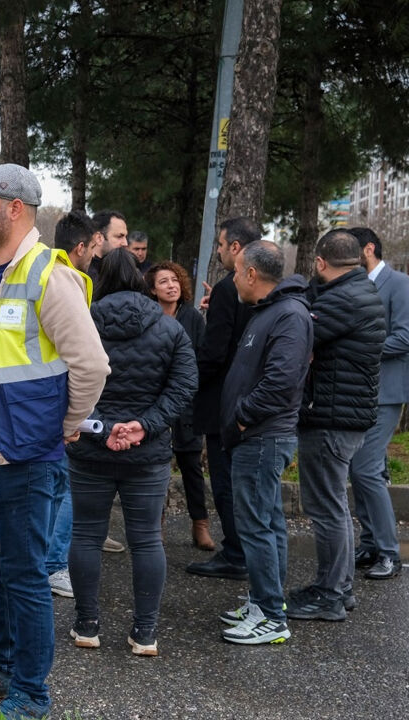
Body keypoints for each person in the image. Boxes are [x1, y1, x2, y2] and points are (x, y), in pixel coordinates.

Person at [0, 164, 108, 720]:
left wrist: (67, 423)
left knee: (25, 575)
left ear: (15, 208)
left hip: (26, 455)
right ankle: (0, 665)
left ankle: (31, 693)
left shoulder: (47, 274)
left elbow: (91, 364)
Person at [66, 249, 196, 657]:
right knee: (146, 540)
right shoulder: (170, 328)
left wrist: (104, 427)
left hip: (91, 449)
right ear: (141, 279)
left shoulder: (81, 323)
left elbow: (65, 379)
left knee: (86, 534)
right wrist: (145, 425)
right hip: (148, 452)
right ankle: (145, 632)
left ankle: (87, 625)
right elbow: (184, 385)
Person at [287, 230, 386, 623]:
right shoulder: (357, 290)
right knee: (335, 507)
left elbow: (300, 335)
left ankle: (330, 594)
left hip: (331, 417)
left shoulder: (342, 299)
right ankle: (338, 588)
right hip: (344, 415)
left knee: (326, 509)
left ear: (320, 262)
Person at [218, 240, 311, 645]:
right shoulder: (270, 311)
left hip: (261, 436)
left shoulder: (288, 314)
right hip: (258, 435)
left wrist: (242, 417)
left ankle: (271, 616)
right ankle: (264, 601)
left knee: (256, 526)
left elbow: (280, 382)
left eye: (237, 271)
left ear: (252, 274)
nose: (234, 278)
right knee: (267, 523)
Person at [186, 217, 260, 581]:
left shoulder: (229, 288)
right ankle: (244, 551)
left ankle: (235, 554)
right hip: (250, 398)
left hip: (223, 401)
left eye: (220, 244)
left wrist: (190, 382)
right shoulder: (259, 286)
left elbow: (214, 352)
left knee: (226, 483)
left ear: (235, 247)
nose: (217, 251)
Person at [45, 211, 103, 598]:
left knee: (51, 488)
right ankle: (52, 564)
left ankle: (42, 562)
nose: (97, 256)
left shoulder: (42, 276)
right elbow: (89, 363)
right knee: (61, 487)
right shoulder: (67, 283)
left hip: (38, 406)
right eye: (95, 247)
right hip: (56, 408)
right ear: (81, 247)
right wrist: (73, 419)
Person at [349, 226, 406, 581]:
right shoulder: (357, 284)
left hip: (387, 392)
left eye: (350, 249)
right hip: (359, 392)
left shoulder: (399, 283)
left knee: (366, 470)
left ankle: (389, 553)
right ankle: (370, 544)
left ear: (368, 249)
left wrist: (359, 348)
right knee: (361, 469)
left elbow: (405, 336)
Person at [144, 260, 211, 550]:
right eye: (163, 282)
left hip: (186, 402)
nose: (171, 286)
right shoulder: (147, 315)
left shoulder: (192, 317)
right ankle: (156, 525)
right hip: (154, 401)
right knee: (155, 469)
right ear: (152, 289)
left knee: (191, 468)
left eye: (174, 280)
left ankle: (200, 525)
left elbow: (202, 357)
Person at [86, 210, 127, 282]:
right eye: (119, 236)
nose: (125, 243)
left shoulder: (119, 271)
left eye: (125, 237)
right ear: (98, 238)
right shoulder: (85, 276)